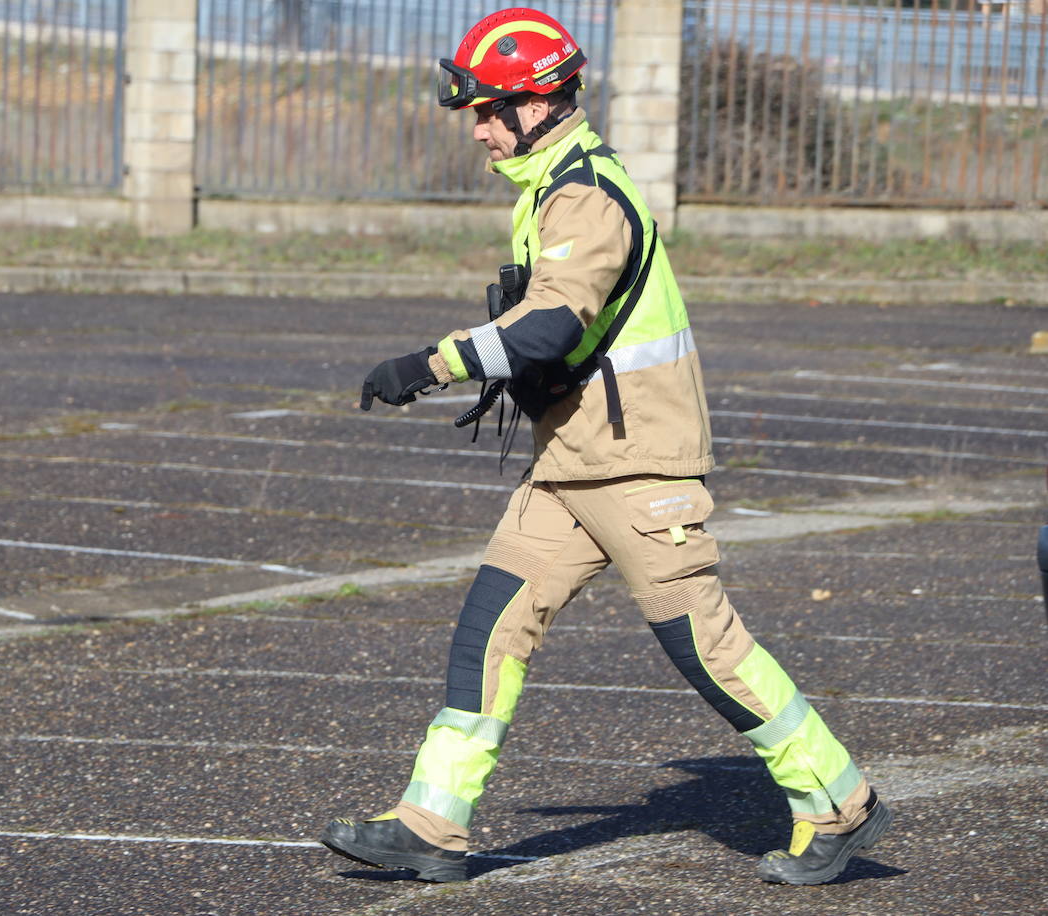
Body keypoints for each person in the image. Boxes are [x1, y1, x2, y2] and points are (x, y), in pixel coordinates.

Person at [320, 7, 891, 886]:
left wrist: (431, 363)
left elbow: (549, 325)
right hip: (574, 464)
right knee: (490, 632)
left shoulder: (585, 194)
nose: (476, 130)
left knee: (706, 646)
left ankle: (839, 801)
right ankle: (432, 823)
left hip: (637, 467)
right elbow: (554, 331)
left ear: (537, 102)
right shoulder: (556, 186)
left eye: (486, 109)